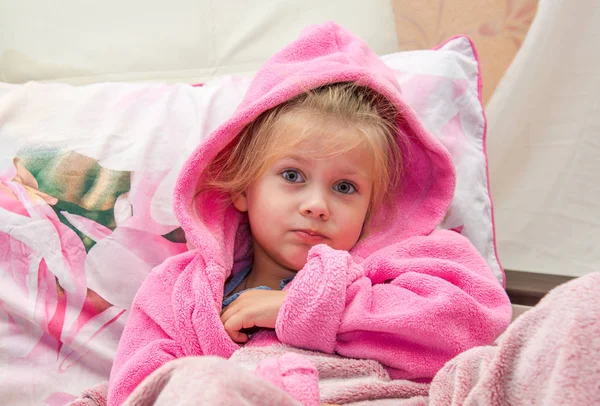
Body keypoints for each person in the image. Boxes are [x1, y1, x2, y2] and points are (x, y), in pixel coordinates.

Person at [106, 22, 511, 406]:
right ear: (244, 186)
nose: (316, 205)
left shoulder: (414, 264)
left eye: (345, 187)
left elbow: (471, 326)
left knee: (573, 309)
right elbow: (139, 389)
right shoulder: (180, 294)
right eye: (293, 175)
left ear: (374, 205)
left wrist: (306, 309)